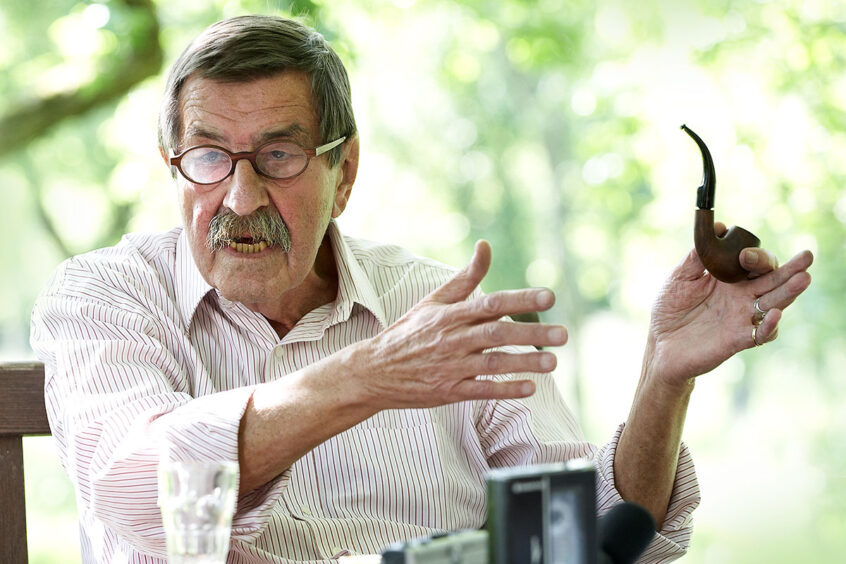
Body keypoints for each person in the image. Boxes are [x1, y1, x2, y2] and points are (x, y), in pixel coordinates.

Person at [30, 14, 813, 564]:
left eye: (278, 157)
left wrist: (663, 378)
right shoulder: (102, 299)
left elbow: (593, 538)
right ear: (172, 167)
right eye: (207, 157)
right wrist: (365, 379)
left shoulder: (435, 307)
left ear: (345, 173)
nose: (239, 197)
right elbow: (144, 491)